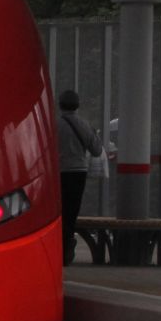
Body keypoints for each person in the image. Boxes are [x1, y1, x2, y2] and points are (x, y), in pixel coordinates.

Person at [59, 90, 101, 265]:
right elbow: (97, 150)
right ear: (77, 105)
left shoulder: (53, 124)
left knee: (57, 211)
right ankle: (67, 244)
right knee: (71, 211)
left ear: (60, 104)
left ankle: (56, 245)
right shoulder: (84, 125)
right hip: (77, 173)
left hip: (57, 173)